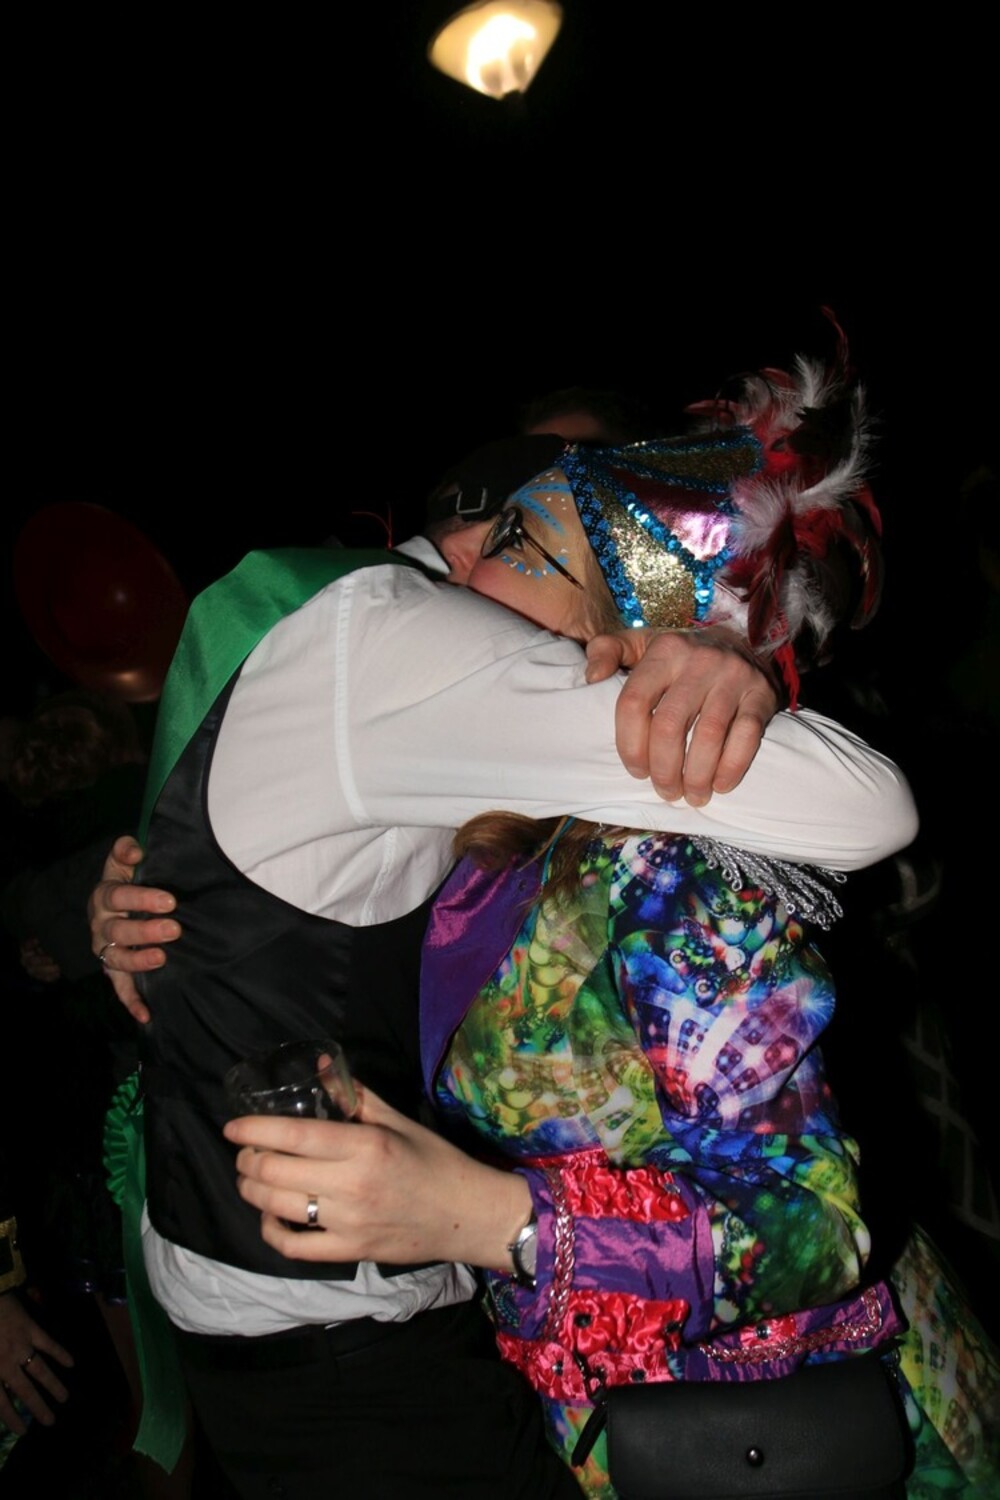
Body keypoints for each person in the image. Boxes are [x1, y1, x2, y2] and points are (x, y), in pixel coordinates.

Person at [221, 358, 996, 1496]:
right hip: (609, 1440)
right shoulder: (464, 827)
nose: (451, 561)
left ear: (621, 630)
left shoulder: (660, 866)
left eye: (519, 545)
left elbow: (815, 1225)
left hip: (819, 1442)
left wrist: (484, 1218)